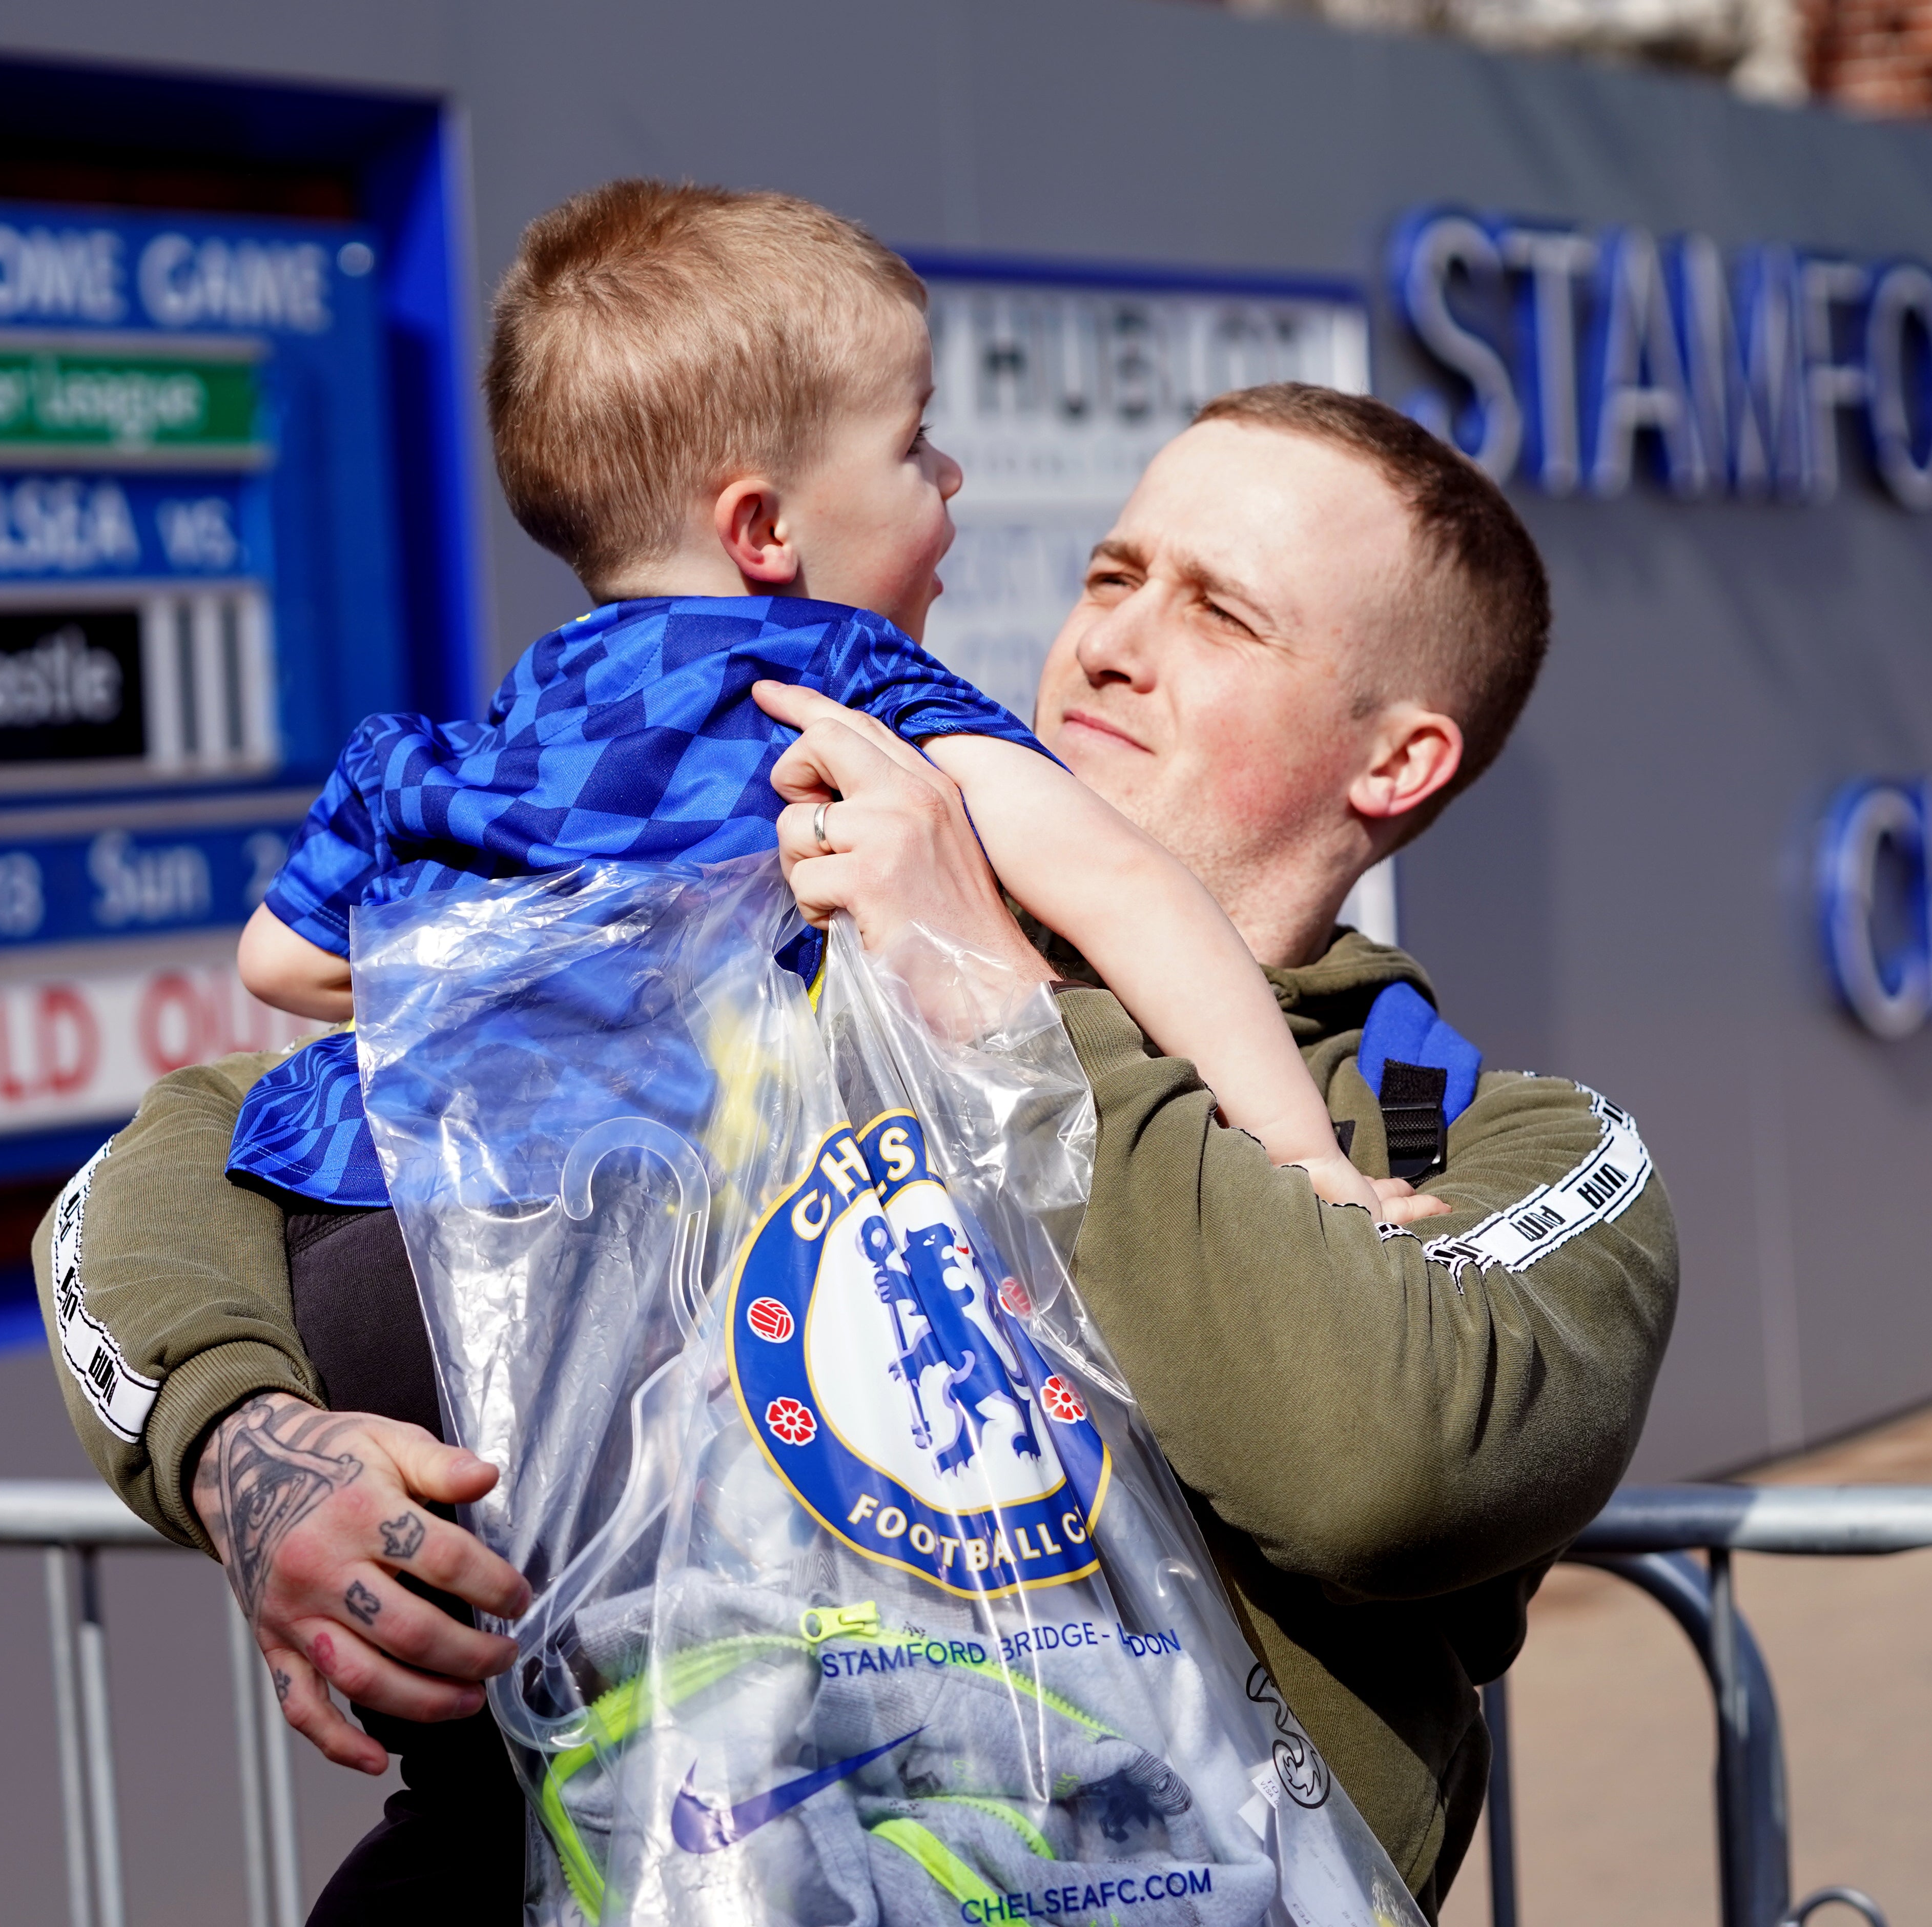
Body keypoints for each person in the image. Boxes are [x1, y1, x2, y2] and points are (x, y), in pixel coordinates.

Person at [35, 378, 1678, 1920]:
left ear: (1398, 759)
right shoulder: (754, 976)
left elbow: (1385, 1457)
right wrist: (248, 1445)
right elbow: (170, 1171)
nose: (1112, 642)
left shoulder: (1491, 1138)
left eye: (1220, 613)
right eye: (1116, 573)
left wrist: (999, 997)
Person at [221, 178, 1386, 1221]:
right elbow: (1128, 888)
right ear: (764, 529)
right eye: (916, 439)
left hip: (376, 1211)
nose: (951, 472)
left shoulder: (497, 736)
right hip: (686, 1237)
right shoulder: (842, 685)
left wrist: (552, 976)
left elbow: (276, 963)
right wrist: (1299, 1152)